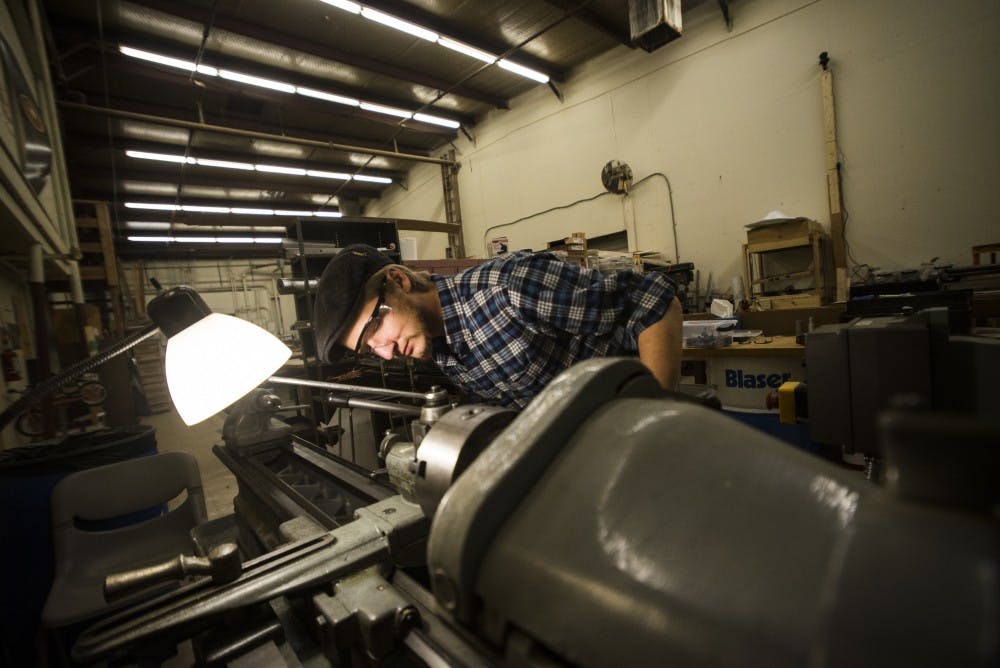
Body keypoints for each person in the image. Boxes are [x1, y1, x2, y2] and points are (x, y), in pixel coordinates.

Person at [313, 244, 682, 408]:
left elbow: (653, 302)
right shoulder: (439, 349)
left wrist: (652, 414)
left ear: (399, 281)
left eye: (375, 328)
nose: (386, 351)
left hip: (632, 426)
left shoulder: (508, 289)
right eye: (368, 349)